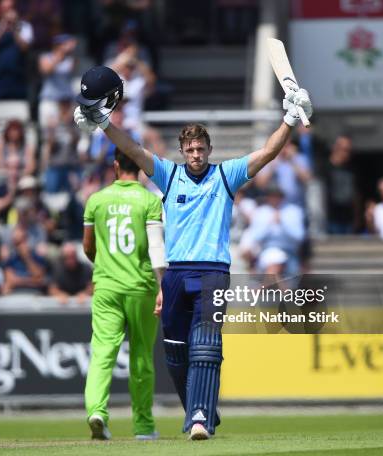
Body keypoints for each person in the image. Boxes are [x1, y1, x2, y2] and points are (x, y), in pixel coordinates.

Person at [74, 65, 313, 440]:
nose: (197, 154)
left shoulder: (226, 175)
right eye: (191, 149)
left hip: (213, 271)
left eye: (202, 148)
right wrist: (102, 122)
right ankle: (203, 412)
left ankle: (197, 417)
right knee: (175, 353)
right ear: (183, 151)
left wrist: (289, 118)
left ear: (210, 150)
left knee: (206, 345)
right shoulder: (169, 175)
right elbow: (132, 149)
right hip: (176, 273)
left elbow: (267, 152)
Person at [82, 149, 166, 441]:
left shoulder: (97, 199)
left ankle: (96, 412)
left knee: (102, 354)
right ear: (141, 168)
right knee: (142, 357)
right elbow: (157, 249)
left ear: (116, 166)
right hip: (141, 287)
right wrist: (161, 285)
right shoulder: (150, 200)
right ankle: (143, 426)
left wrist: (106, 264)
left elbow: (88, 247)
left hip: (106, 287)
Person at [0, 0, 33, 100]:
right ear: (0, 11)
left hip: (19, 79)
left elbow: (25, 48)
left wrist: (14, 29)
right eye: (5, 9)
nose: (7, 12)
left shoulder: (25, 26)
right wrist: (1, 31)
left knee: (18, 112)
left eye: (10, 8)